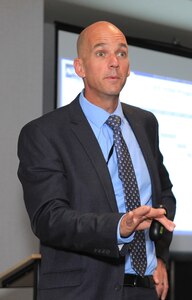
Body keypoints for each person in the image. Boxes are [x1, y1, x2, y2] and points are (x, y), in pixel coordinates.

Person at [17, 21, 176, 300]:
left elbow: (163, 196)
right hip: (84, 291)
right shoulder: (44, 133)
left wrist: (159, 255)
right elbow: (48, 218)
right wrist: (118, 226)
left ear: (128, 67)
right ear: (79, 67)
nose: (114, 63)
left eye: (122, 54)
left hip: (145, 291)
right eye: (101, 53)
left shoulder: (145, 123)